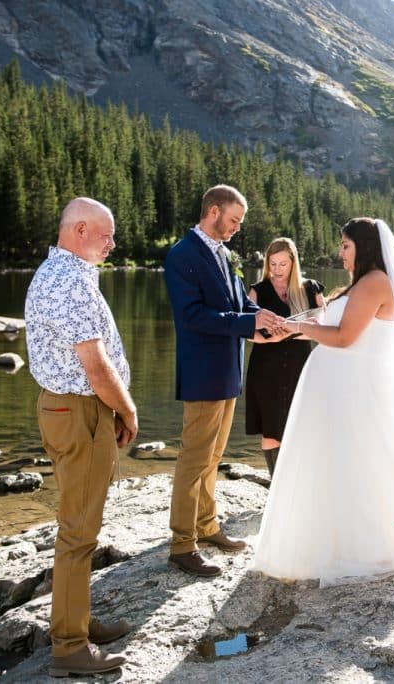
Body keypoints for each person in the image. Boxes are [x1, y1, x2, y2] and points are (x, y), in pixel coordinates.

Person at [253, 217, 394, 584]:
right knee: (332, 463)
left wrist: (296, 327)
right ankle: (325, 540)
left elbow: (345, 337)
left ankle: (358, 547)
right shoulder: (359, 285)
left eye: (346, 245)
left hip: (354, 390)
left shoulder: (376, 282)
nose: (340, 252)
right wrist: (289, 327)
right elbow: (329, 326)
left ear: (364, 247)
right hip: (337, 388)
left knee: (355, 464)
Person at [24, 197, 136, 677]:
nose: (113, 243)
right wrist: (127, 408)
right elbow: (94, 366)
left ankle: (79, 621)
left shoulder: (61, 273)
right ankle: (69, 646)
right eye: (107, 234)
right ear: (81, 230)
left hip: (70, 409)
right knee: (78, 532)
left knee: (79, 520)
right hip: (80, 412)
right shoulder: (68, 280)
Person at [164, 184, 287, 578]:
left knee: (214, 456)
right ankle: (182, 544)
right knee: (194, 458)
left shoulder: (224, 253)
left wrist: (263, 317)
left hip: (227, 372)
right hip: (202, 373)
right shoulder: (182, 255)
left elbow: (238, 304)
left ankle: (208, 526)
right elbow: (193, 316)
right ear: (213, 212)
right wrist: (247, 324)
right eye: (234, 220)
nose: (236, 228)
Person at [245, 237, 325, 476]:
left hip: (301, 368)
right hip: (265, 369)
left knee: (298, 425)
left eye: (283, 264)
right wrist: (273, 338)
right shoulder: (257, 291)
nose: (277, 270)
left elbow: (326, 328)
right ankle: (275, 487)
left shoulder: (311, 289)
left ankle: (294, 484)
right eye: (273, 264)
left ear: (293, 263)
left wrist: (294, 330)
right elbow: (247, 331)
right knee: (270, 430)